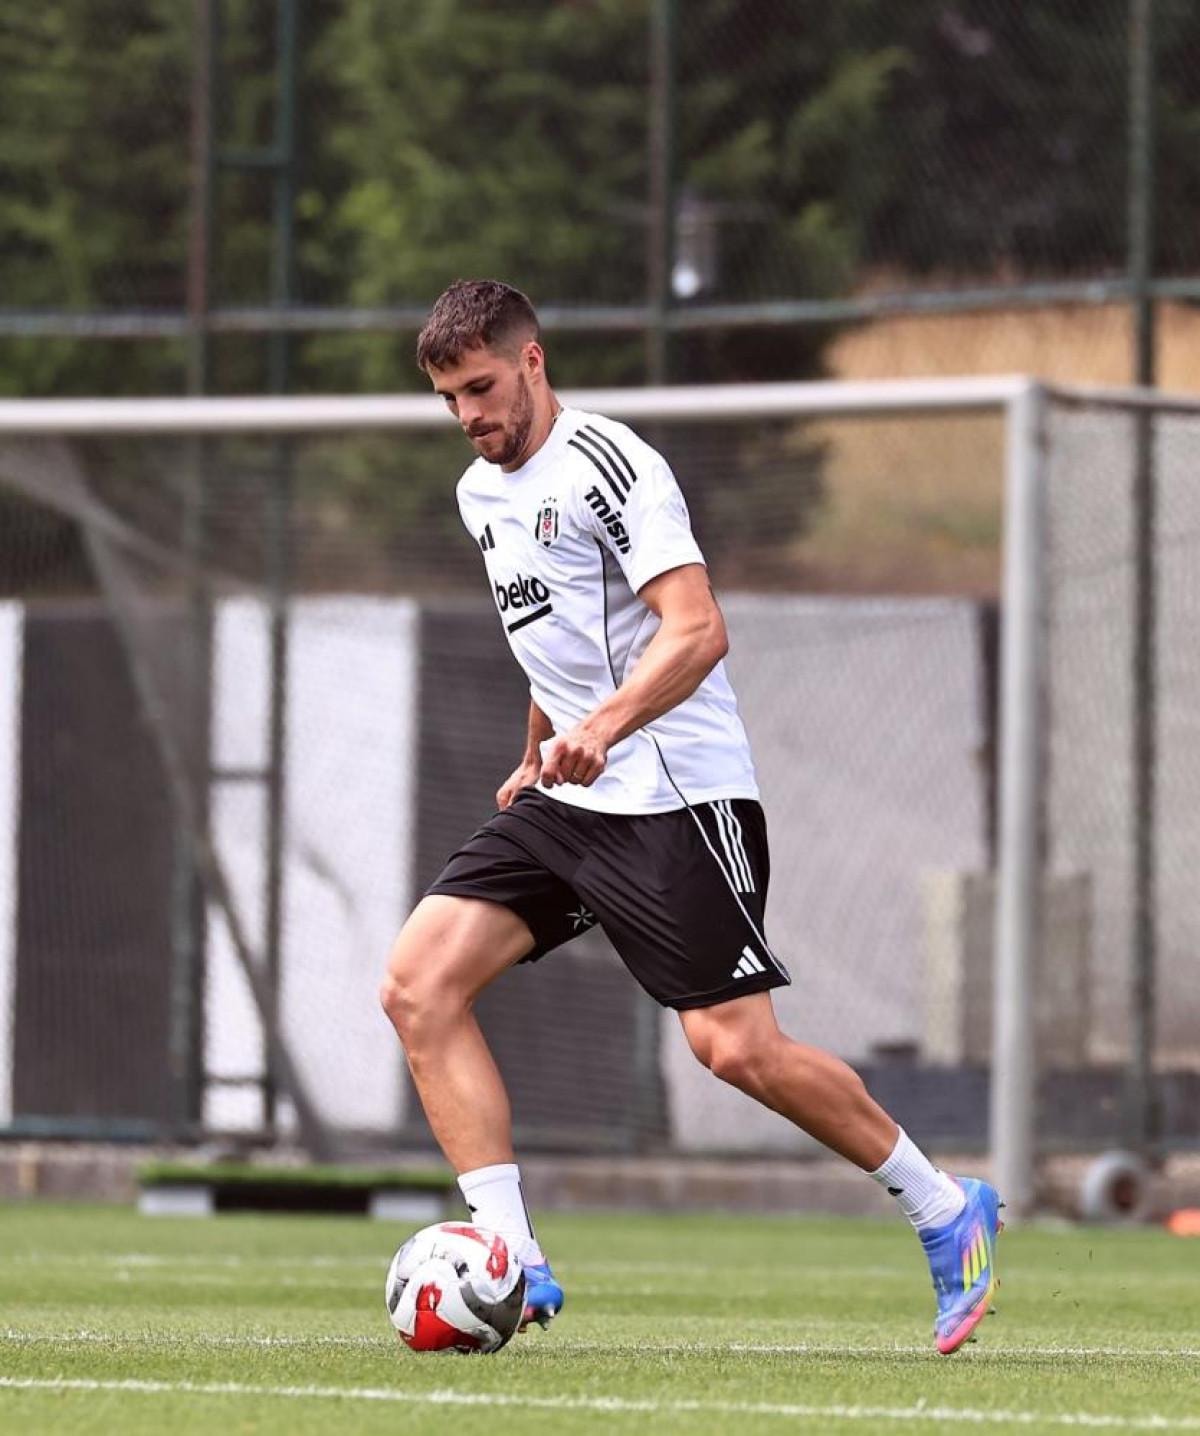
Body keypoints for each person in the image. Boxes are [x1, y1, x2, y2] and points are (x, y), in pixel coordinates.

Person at [380, 278, 1002, 1354]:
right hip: (571, 796)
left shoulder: (611, 465)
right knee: (416, 985)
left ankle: (946, 1206)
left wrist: (604, 726)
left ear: (532, 361)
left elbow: (697, 628)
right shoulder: (480, 494)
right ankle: (513, 1255)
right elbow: (558, 638)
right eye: (449, 399)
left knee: (735, 1050)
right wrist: (537, 748)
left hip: (676, 791)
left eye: (480, 387)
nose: (469, 414)